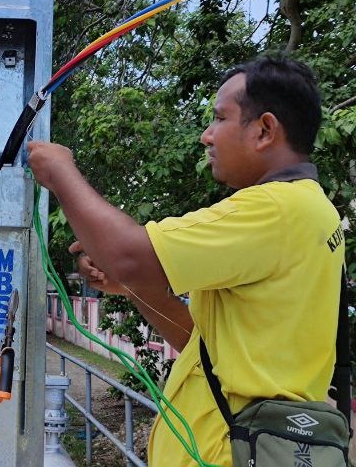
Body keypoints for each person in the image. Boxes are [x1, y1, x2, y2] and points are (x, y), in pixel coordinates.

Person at [27, 55, 345, 466]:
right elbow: (200, 343)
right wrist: (132, 282)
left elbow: (127, 254)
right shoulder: (308, 210)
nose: (206, 136)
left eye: (220, 118)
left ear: (265, 130)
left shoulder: (276, 209)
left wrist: (60, 171)